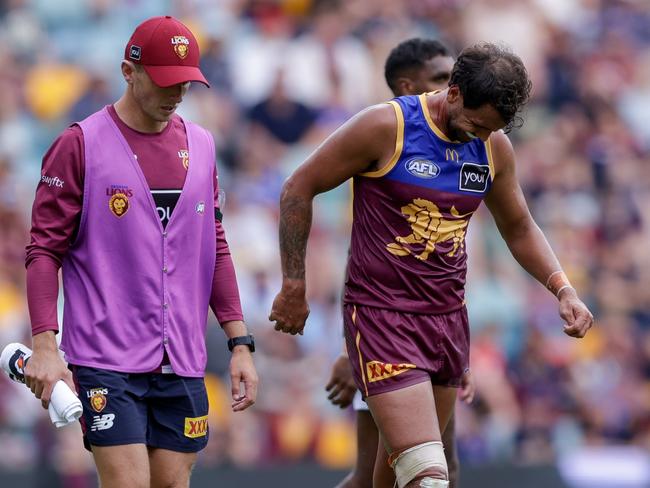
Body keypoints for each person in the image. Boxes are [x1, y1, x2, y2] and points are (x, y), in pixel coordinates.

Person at [269, 42, 593, 488]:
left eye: (491, 130)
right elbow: (297, 187)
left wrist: (563, 288)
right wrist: (293, 284)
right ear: (454, 94)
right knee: (430, 477)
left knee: (385, 482)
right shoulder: (387, 126)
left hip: (447, 323)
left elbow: (518, 227)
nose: (480, 137)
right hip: (383, 319)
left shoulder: (493, 146)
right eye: (477, 125)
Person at [24, 16, 258, 488]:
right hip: (105, 358)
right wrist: (45, 345)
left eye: (187, 83)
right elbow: (44, 249)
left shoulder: (203, 145)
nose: (176, 94)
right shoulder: (78, 144)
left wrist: (239, 342)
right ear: (129, 71)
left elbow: (214, 243)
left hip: (183, 358)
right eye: (166, 81)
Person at [325, 38, 474, 488]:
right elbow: (363, 259)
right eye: (441, 79)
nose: (453, 89)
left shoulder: (462, 142)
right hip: (387, 336)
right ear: (407, 85)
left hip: (435, 331)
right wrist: (353, 350)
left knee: (420, 468)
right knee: (401, 471)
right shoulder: (383, 136)